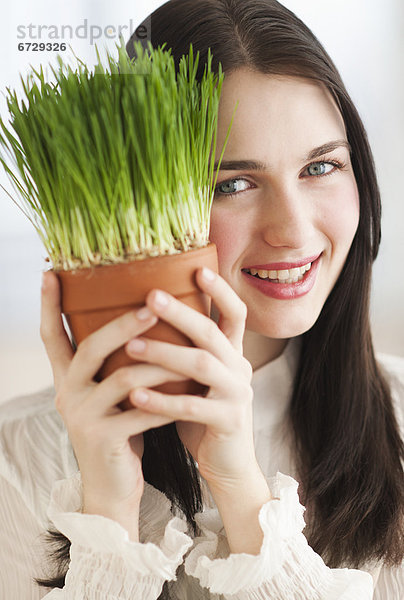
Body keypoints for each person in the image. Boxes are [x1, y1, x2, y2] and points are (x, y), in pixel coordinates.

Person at [0, 0, 403, 598]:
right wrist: (109, 511)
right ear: (138, 205)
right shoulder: (16, 459)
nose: (292, 229)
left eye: (321, 166)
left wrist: (240, 489)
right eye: (232, 184)